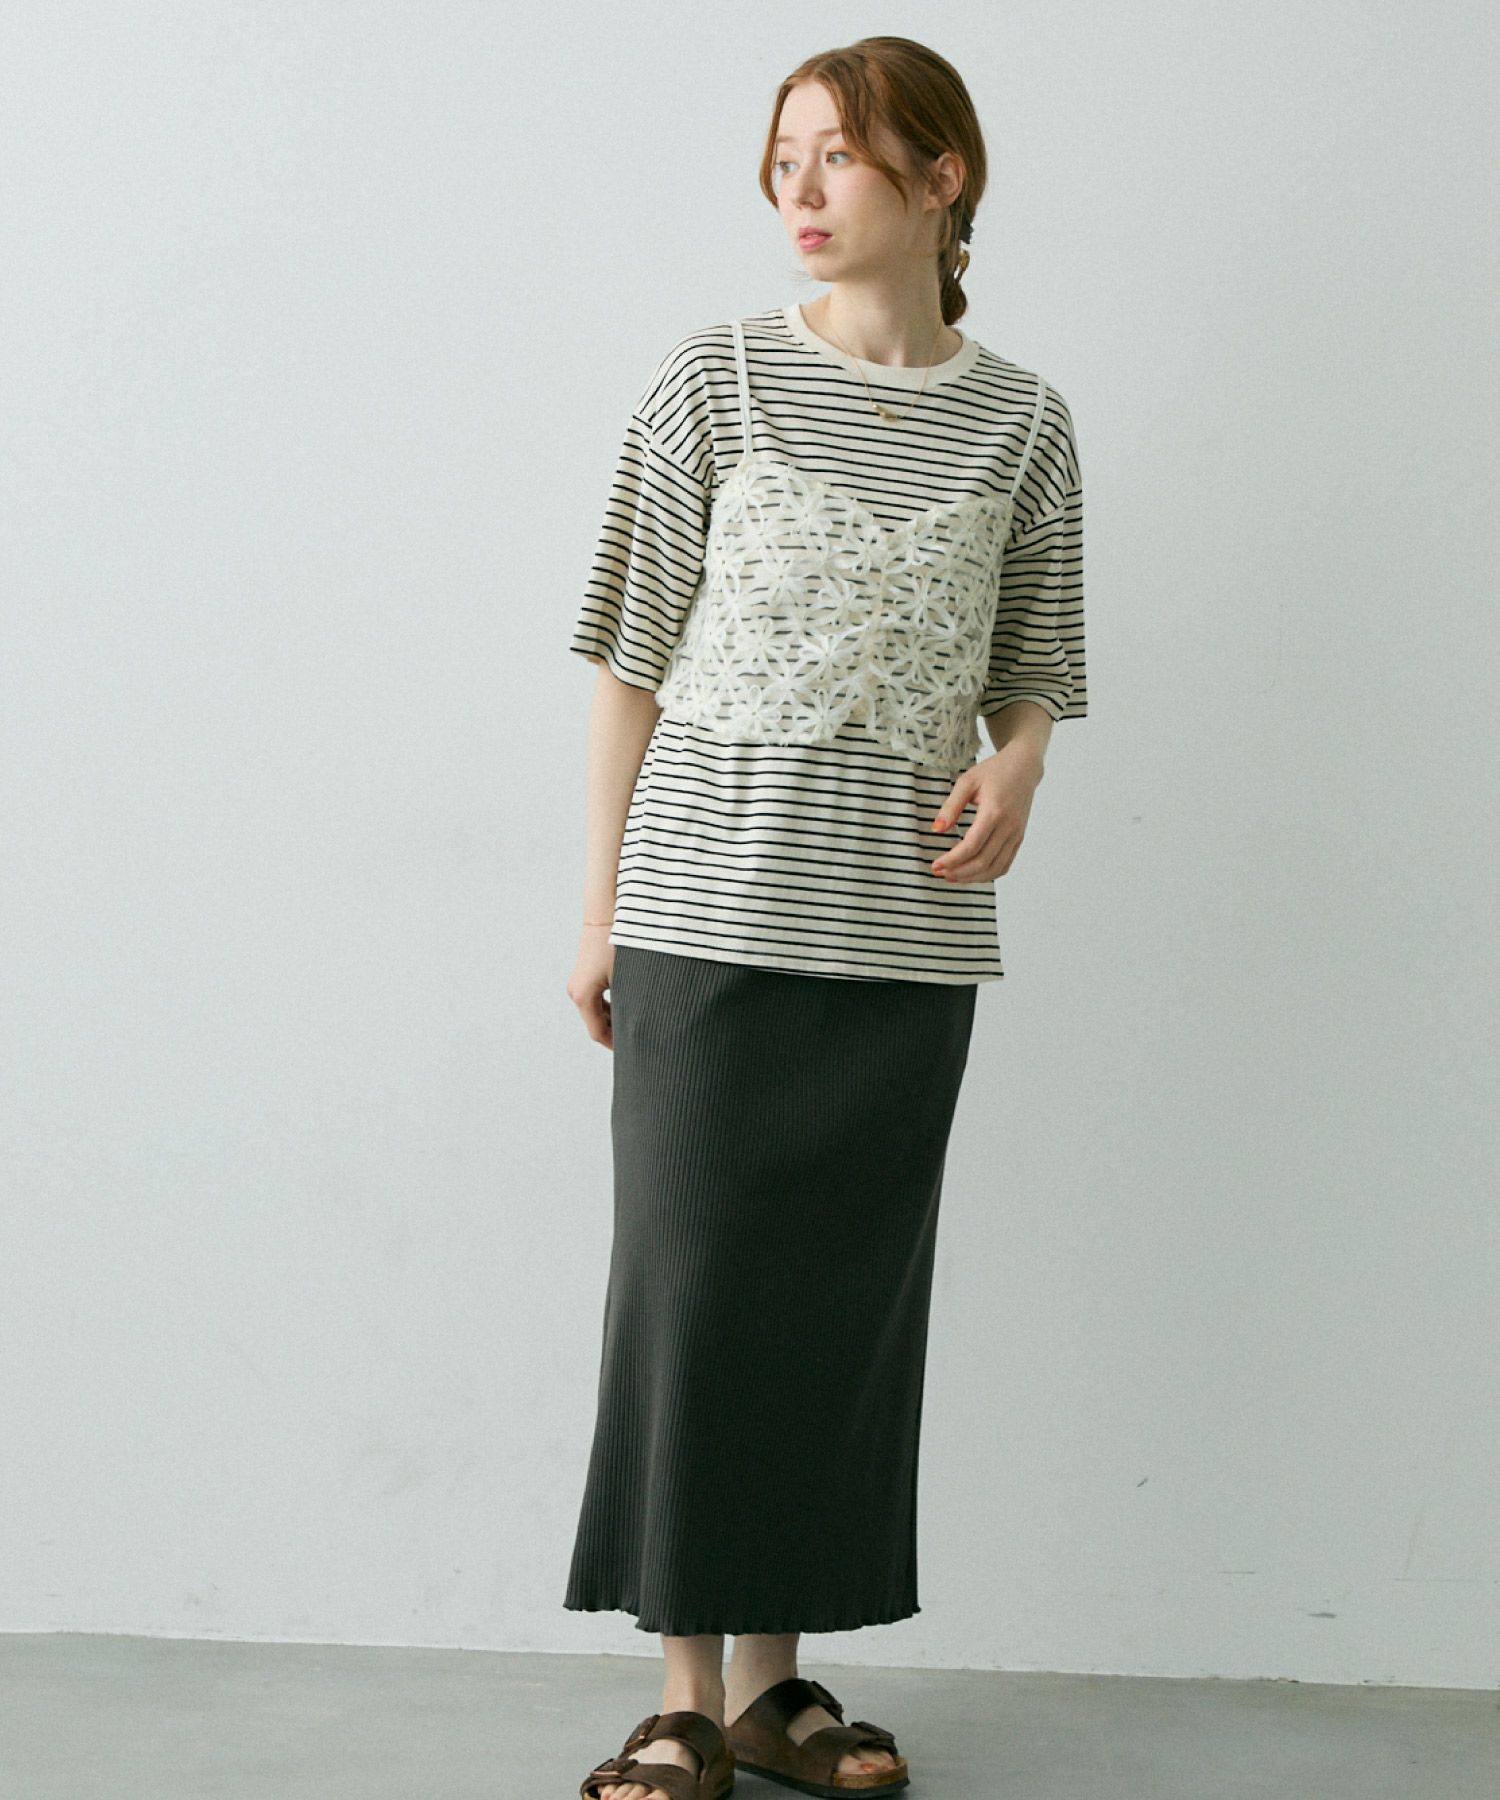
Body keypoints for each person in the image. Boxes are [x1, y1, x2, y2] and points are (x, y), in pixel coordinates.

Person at [562, 35, 1087, 1800]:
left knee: (833, 1315)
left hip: (904, 942)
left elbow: (1035, 661)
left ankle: (776, 1693)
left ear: (942, 180)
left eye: (837, 156)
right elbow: (626, 661)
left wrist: (1022, 764)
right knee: (693, 1295)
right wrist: (596, 912)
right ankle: (680, 1695)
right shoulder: (711, 381)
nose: (798, 189)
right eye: (782, 156)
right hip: (708, 916)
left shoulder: (1026, 422)